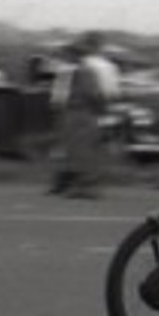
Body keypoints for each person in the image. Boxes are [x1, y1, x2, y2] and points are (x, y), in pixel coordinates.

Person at [48, 34, 109, 199]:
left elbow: (95, 95)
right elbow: (59, 97)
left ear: (75, 55)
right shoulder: (68, 72)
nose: (63, 56)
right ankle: (76, 185)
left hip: (82, 113)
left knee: (84, 151)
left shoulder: (85, 72)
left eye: (67, 54)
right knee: (73, 151)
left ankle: (88, 187)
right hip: (70, 113)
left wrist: (98, 113)